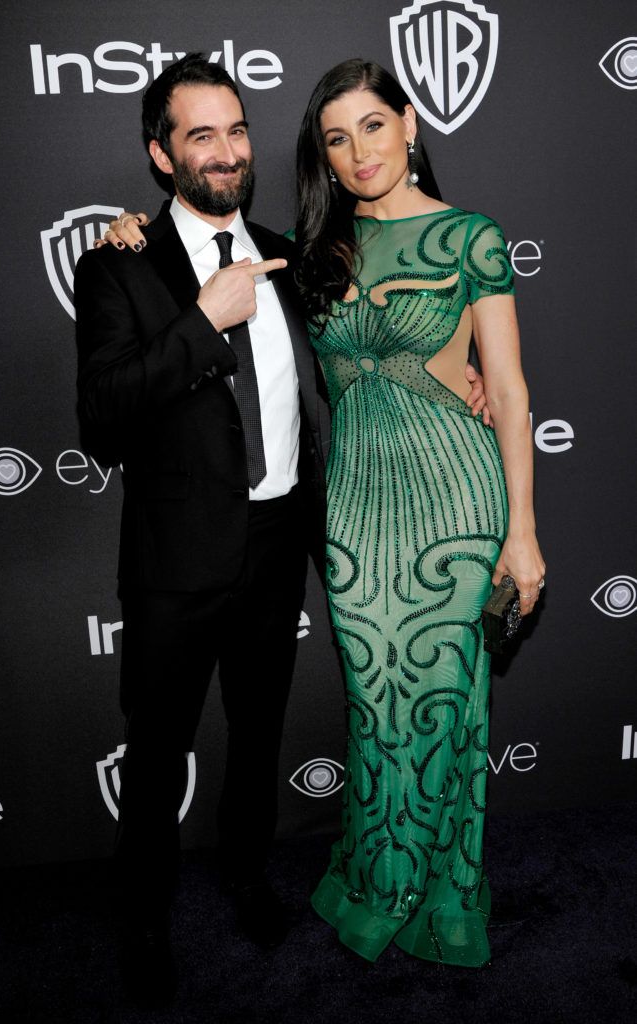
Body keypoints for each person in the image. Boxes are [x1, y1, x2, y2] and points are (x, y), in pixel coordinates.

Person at [74, 53, 328, 1001]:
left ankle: (250, 876)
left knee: (258, 736)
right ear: (159, 153)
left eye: (237, 129)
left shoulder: (288, 253)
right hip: (176, 563)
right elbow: (100, 414)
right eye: (200, 135)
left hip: (274, 552)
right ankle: (143, 917)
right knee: (157, 751)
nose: (226, 152)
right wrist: (202, 321)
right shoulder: (117, 263)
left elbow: (339, 373)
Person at [291, 58, 545, 968]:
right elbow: (196, 257)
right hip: (358, 506)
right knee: (376, 703)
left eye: (371, 126)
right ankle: (376, 874)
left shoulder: (474, 237)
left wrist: (522, 532)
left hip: (455, 497)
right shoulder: (313, 248)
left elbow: (509, 392)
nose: (358, 152)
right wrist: (128, 231)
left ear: (409, 123)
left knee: (442, 704)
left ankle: (437, 897)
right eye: (335, 138)